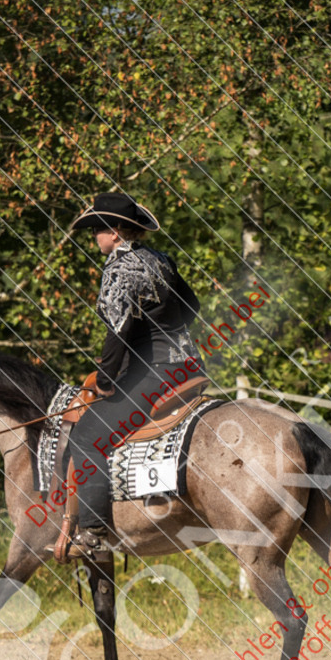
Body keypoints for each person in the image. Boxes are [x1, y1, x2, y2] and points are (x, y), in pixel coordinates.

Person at [67, 192, 203, 555]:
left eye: (97, 229)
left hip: (156, 372)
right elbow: (193, 307)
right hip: (189, 365)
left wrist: (107, 381)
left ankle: (93, 531)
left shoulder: (117, 268)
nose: (94, 236)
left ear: (114, 232)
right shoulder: (161, 259)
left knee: (86, 436)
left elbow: (118, 331)